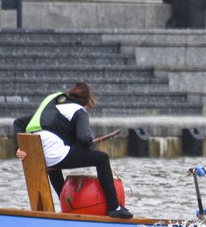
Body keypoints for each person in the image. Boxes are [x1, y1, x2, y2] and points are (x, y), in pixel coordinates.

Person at [13, 82, 132, 219]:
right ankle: (114, 207)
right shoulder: (79, 110)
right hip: (51, 152)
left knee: (55, 166)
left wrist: (18, 148)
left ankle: (66, 208)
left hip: (35, 154)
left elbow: (18, 123)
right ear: (87, 102)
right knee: (102, 159)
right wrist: (90, 147)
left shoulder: (52, 107)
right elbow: (83, 138)